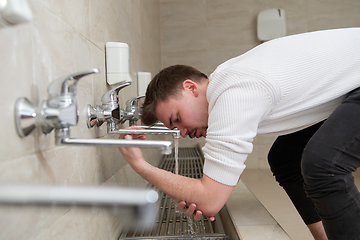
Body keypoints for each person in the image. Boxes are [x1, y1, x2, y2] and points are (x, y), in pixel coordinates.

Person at [118, 27, 360, 240]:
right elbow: (207, 193)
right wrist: (196, 192)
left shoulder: (233, 93)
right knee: (285, 158)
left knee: (323, 164)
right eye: (175, 128)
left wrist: (140, 165)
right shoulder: (227, 79)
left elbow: (210, 200)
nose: (182, 132)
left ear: (190, 88)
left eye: (178, 119)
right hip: (350, 86)